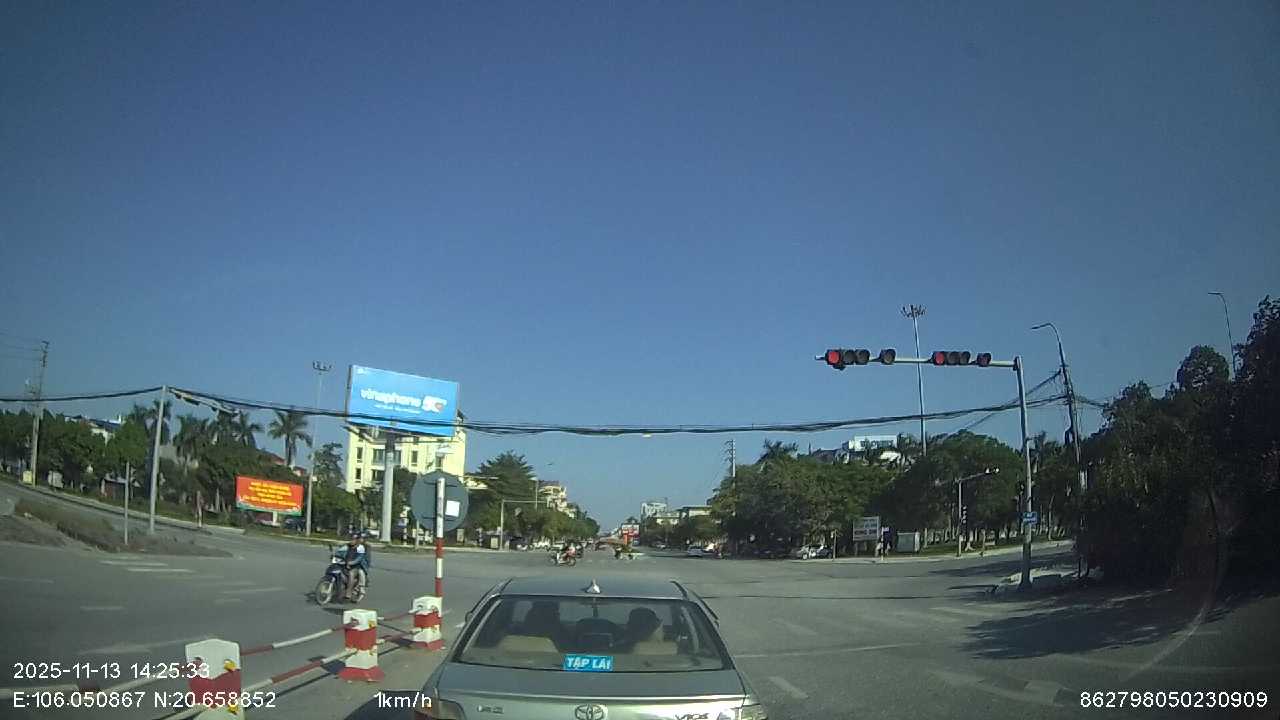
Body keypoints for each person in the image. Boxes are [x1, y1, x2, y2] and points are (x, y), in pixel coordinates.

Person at [343, 533, 370, 601]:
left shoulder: (364, 547)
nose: (361, 539)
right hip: (348, 563)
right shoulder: (348, 545)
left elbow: (361, 558)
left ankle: (350, 592)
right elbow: (342, 551)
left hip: (360, 565)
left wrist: (352, 562)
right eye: (360, 538)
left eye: (362, 538)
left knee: (354, 573)